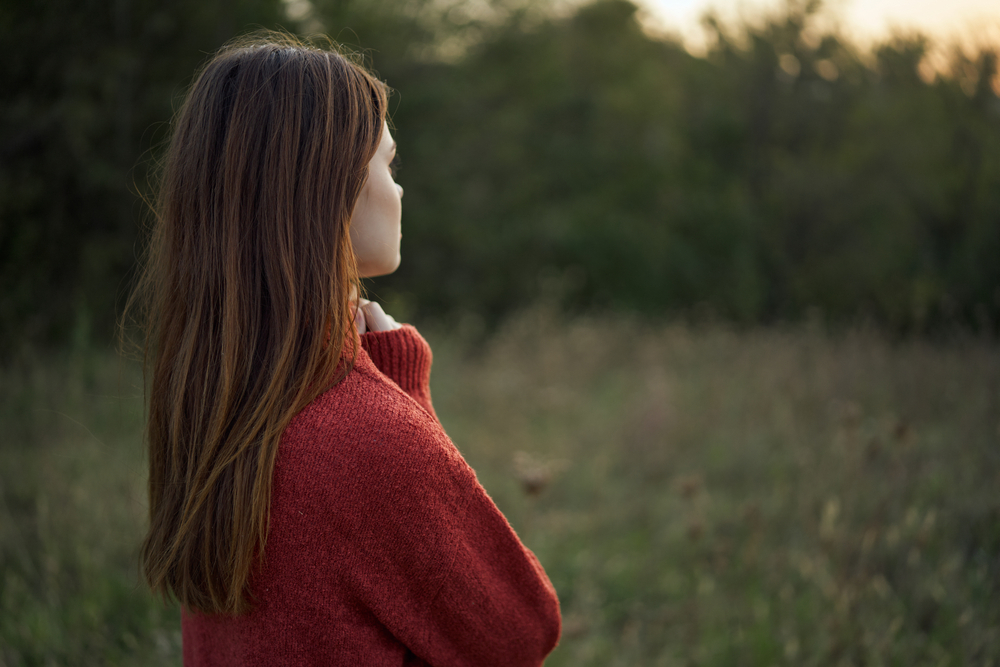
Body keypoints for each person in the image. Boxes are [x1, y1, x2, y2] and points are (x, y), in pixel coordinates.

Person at [128, 33, 561, 666]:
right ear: (327, 187)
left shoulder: (215, 403)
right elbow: (519, 629)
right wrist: (404, 400)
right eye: (388, 163)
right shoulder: (363, 435)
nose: (399, 189)